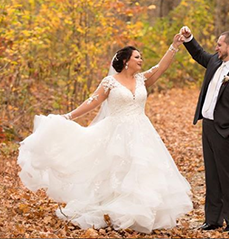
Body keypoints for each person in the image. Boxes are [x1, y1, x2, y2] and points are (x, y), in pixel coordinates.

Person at [18, 34, 192, 234]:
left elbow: (161, 67)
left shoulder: (142, 78)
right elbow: (93, 101)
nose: (141, 60)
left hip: (142, 132)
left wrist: (175, 45)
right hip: (116, 132)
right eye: (137, 57)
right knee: (115, 172)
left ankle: (138, 215)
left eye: (141, 57)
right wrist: (69, 116)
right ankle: (113, 211)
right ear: (126, 61)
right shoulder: (110, 82)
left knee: (141, 172)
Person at [180, 26, 229, 235]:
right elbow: (198, 54)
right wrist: (189, 38)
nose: (216, 47)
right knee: (212, 176)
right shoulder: (215, 61)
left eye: (219, 44)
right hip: (209, 127)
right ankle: (213, 220)